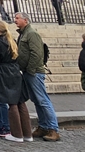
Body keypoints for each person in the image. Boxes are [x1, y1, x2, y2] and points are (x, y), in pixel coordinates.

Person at [14, 12, 60, 142]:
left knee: (43, 100)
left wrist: (31, 69)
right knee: (37, 100)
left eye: (18, 18)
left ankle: (53, 128)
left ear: (26, 20)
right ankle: (44, 126)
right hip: (28, 72)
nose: (15, 20)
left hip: (34, 72)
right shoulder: (23, 33)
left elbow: (36, 53)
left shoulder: (31, 34)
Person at [0, 21, 30, 142]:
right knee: (21, 102)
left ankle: (17, 134)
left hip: (5, 71)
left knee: (12, 103)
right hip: (15, 69)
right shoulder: (12, 40)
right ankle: (27, 134)